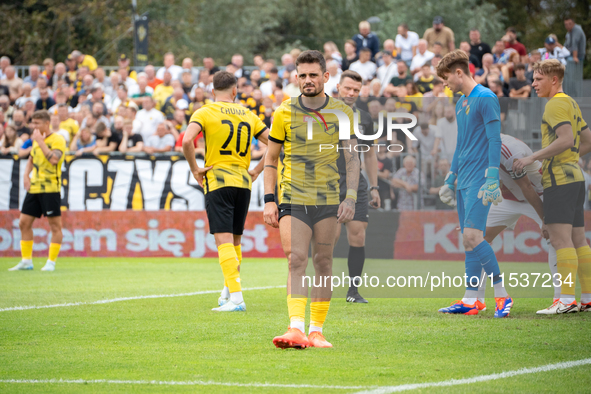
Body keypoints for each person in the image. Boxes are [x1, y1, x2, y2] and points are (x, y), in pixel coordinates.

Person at [263, 50, 359, 349]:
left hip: (329, 199)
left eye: (313, 75)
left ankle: (316, 331)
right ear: (296, 77)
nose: (307, 80)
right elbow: (271, 158)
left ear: (326, 77)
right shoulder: (283, 111)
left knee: (323, 261)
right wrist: (269, 199)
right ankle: (295, 328)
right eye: (302, 75)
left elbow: (352, 158)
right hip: (293, 196)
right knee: (296, 259)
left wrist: (351, 198)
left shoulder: (342, 111)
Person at [182, 71, 270, 312]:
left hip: (218, 180)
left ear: (212, 92)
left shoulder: (204, 112)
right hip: (243, 182)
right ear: (234, 91)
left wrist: (195, 169)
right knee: (235, 240)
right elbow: (275, 143)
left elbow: (187, 141)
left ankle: (238, 299)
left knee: (222, 240)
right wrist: (257, 170)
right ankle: (228, 290)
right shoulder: (248, 114)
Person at [435, 50, 512, 317]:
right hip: (464, 180)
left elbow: (495, 140)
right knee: (468, 241)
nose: (444, 84)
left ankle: (502, 295)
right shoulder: (460, 103)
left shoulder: (487, 98)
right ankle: (471, 301)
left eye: (446, 78)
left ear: (459, 73)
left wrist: (492, 177)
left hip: (481, 179)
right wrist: (451, 177)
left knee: (473, 236)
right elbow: (462, 144)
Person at [514, 59, 591, 314]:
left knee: (561, 241)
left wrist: (532, 157)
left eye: (538, 79)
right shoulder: (569, 102)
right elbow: (586, 139)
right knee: (579, 240)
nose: (533, 83)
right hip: (576, 178)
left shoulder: (554, 104)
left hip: (559, 180)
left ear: (553, 80)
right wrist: (571, 157)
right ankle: (587, 298)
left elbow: (566, 139)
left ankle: (567, 299)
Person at [475, 134, 558, 313]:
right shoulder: (482, 143)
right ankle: (477, 299)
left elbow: (527, 187)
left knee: (554, 239)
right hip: (510, 198)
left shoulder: (510, 150)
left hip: (537, 196)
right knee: (477, 238)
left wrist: (545, 220)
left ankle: (560, 298)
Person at [333, 70, 380, 303]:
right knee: (328, 237)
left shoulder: (364, 117)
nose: (351, 93)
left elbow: (370, 155)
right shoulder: (323, 113)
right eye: (348, 88)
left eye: (356, 90)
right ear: (338, 87)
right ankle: (324, 289)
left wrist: (375, 187)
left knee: (358, 236)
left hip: (356, 182)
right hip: (328, 181)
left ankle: (353, 291)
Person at [9, 111, 65, 272]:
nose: (34, 126)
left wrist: (40, 141)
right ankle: (26, 261)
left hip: (50, 188)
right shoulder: (36, 140)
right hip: (35, 187)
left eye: (37, 123)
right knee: (23, 222)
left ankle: (51, 262)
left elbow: (54, 159)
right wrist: (26, 175)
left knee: (55, 226)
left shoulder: (57, 139)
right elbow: (32, 159)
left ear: (46, 123)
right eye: (32, 123)